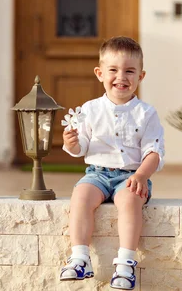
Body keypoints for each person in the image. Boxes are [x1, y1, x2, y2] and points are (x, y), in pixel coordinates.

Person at [59, 36, 165, 290]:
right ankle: (80, 257)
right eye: (114, 70)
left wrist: (141, 175)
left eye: (130, 71)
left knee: (129, 202)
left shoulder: (146, 113)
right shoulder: (90, 109)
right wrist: (72, 143)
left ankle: (126, 264)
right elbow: (81, 145)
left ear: (141, 76)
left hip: (130, 176)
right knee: (80, 197)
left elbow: (154, 151)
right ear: (99, 73)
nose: (121, 77)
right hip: (97, 174)